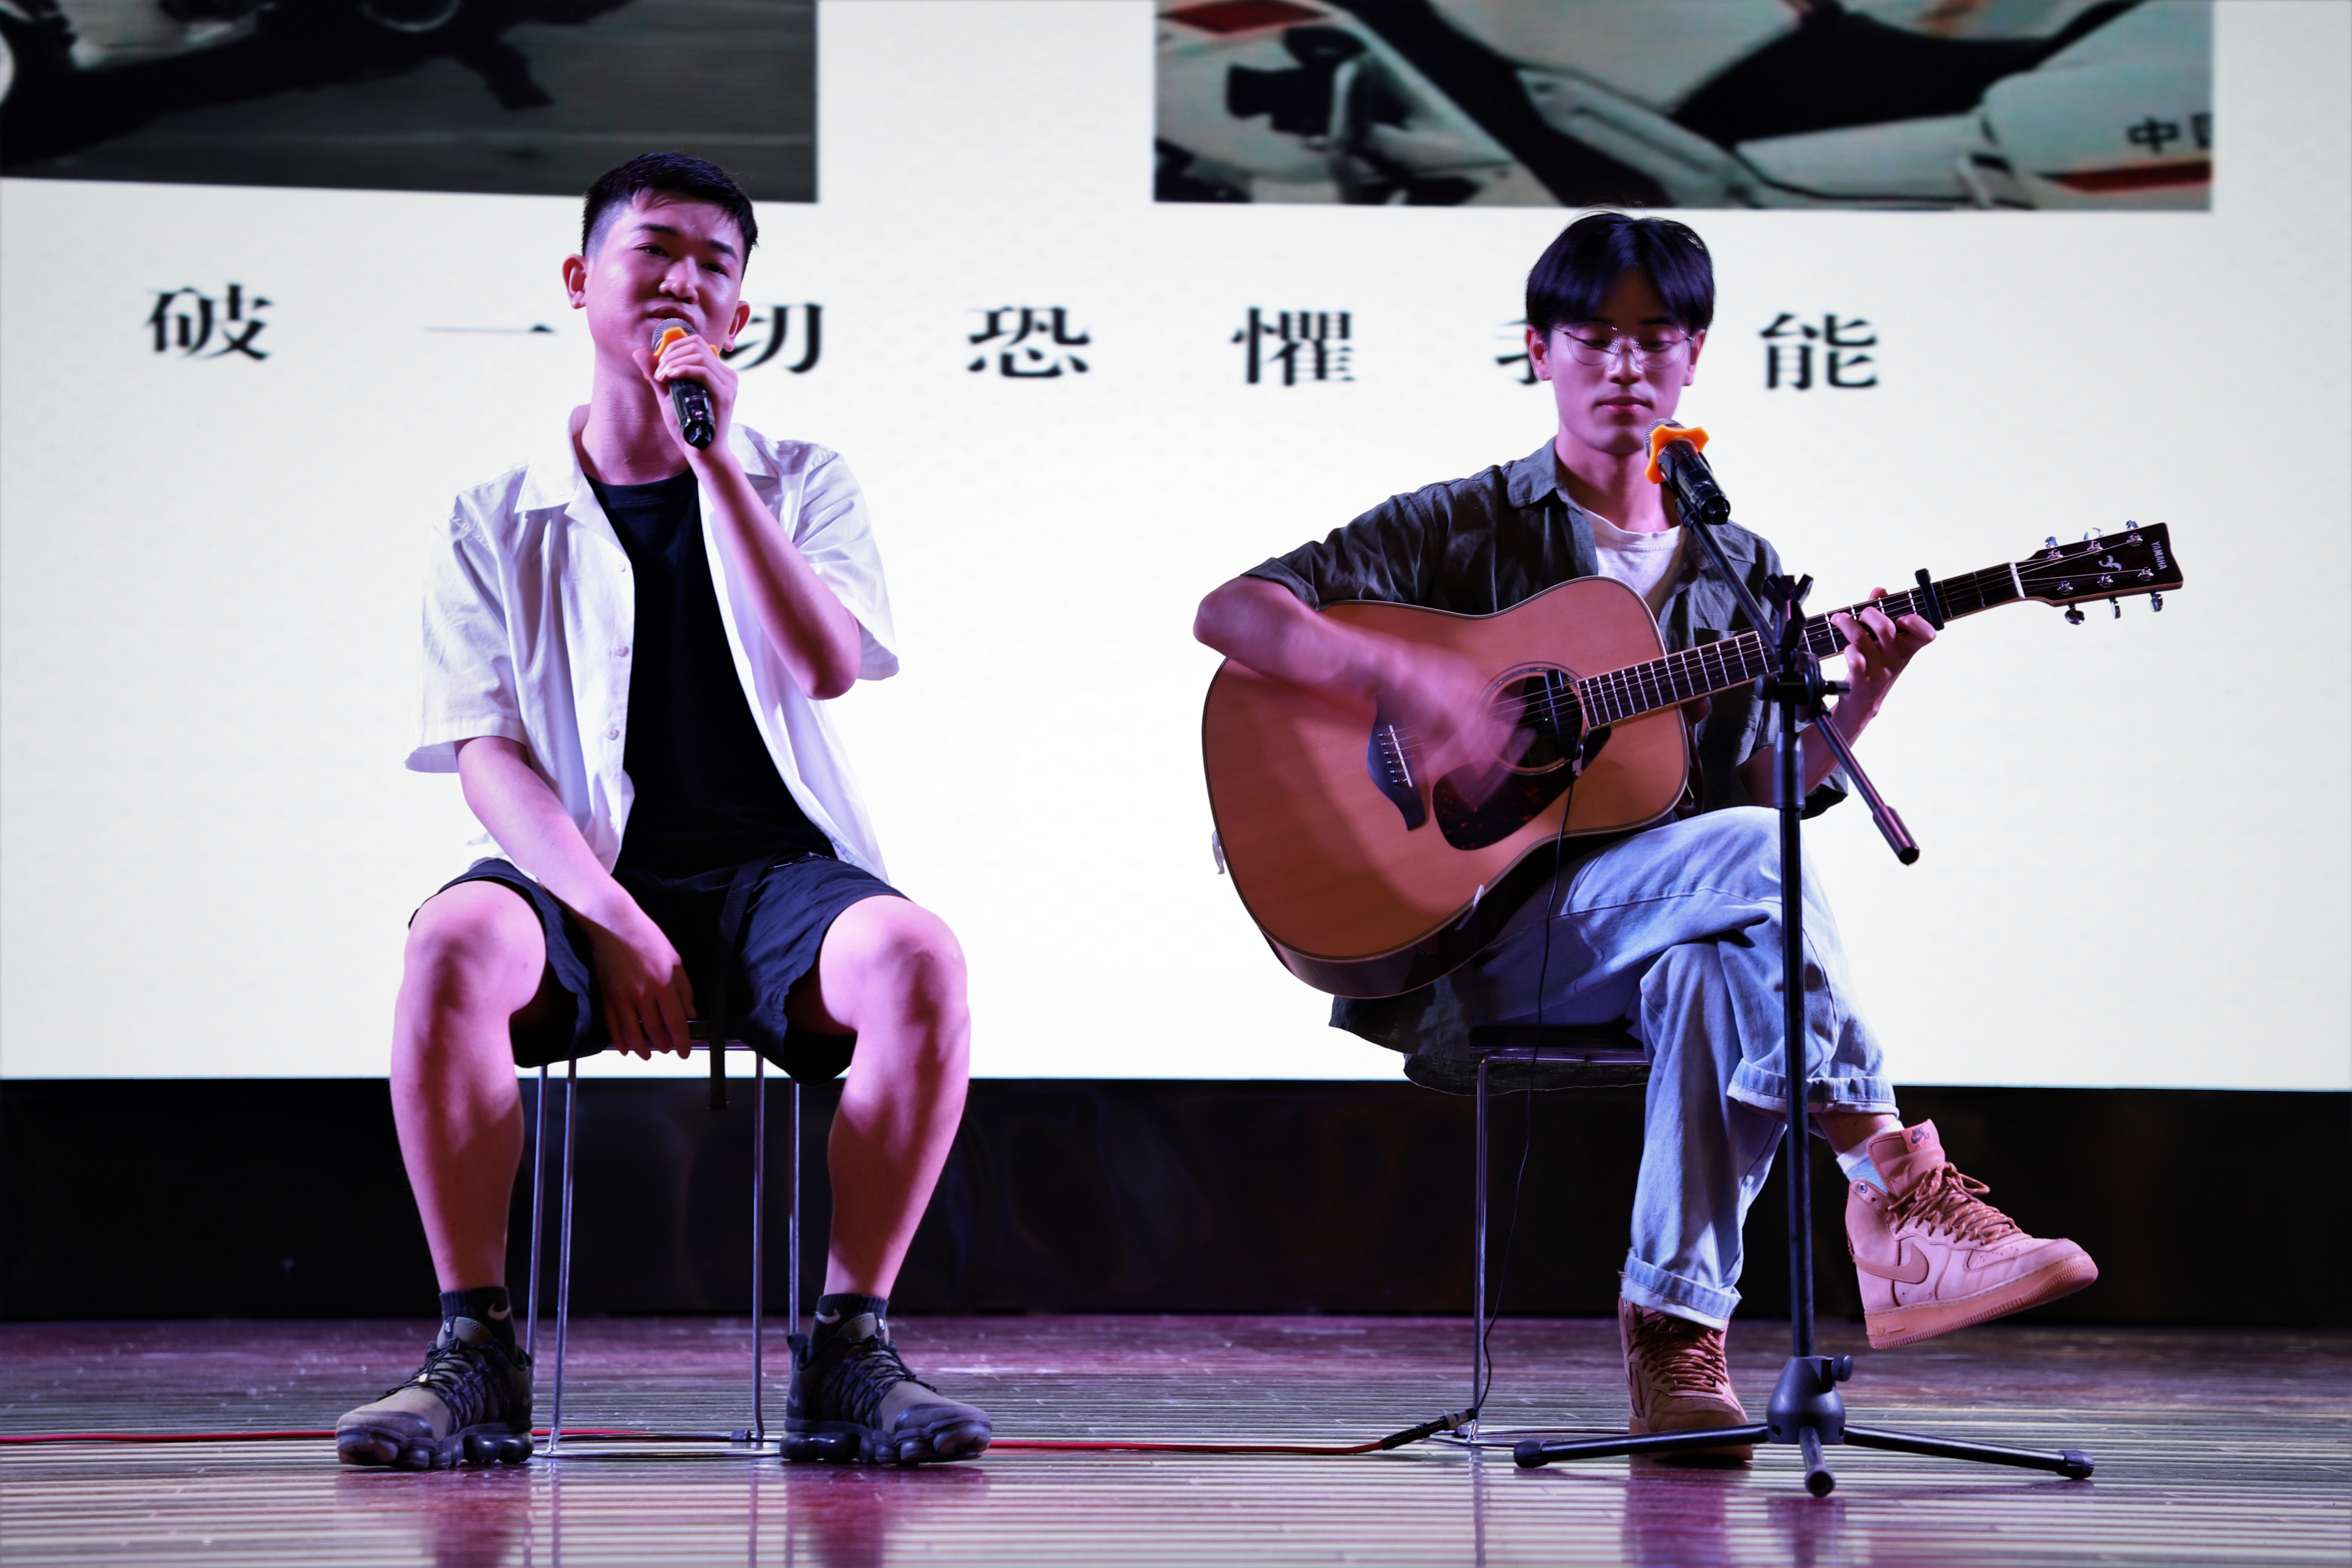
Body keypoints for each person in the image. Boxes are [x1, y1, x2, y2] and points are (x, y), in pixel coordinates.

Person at [1191, 213, 2096, 1460]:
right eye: (1593, 336)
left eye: (1656, 338)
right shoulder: (1462, 524)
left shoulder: (1738, 568)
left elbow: (1759, 793)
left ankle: (1675, 1338)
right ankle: (1896, 1189)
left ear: (1695, 358)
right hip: (1484, 938)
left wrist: (1868, 694)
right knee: (1753, 867)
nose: (1625, 364)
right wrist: (1423, 684)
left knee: (1720, 965)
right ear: (1539, 351)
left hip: (1647, 934)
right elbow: (1235, 613)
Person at [337, 153, 989, 1470]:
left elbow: (827, 664)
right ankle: (473, 1350)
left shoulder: (802, 479)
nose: (684, 280)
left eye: (716, 265)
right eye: (656, 251)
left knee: (919, 956)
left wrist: (719, 467)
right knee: (451, 941)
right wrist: (615, 918)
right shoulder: (494, 513)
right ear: (581, 281)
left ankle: (848, 1349)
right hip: (576, 871)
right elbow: (484, 754)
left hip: (775, 879)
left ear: (740, 316)